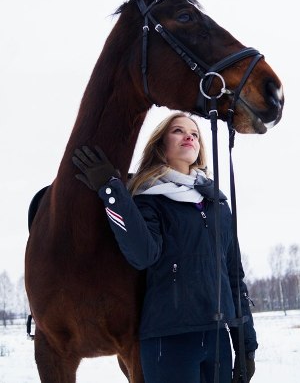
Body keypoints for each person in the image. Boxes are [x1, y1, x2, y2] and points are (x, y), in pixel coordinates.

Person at [72, 112, 257, 383]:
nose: (189, 136)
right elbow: (142, 254)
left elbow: (233, 277)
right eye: (178, 131)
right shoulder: (149, 200)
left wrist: (246, 345)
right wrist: (111, 191)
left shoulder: (217, 204)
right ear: (160, 145)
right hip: (168, 340)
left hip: (217, 338)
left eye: (194, 133)